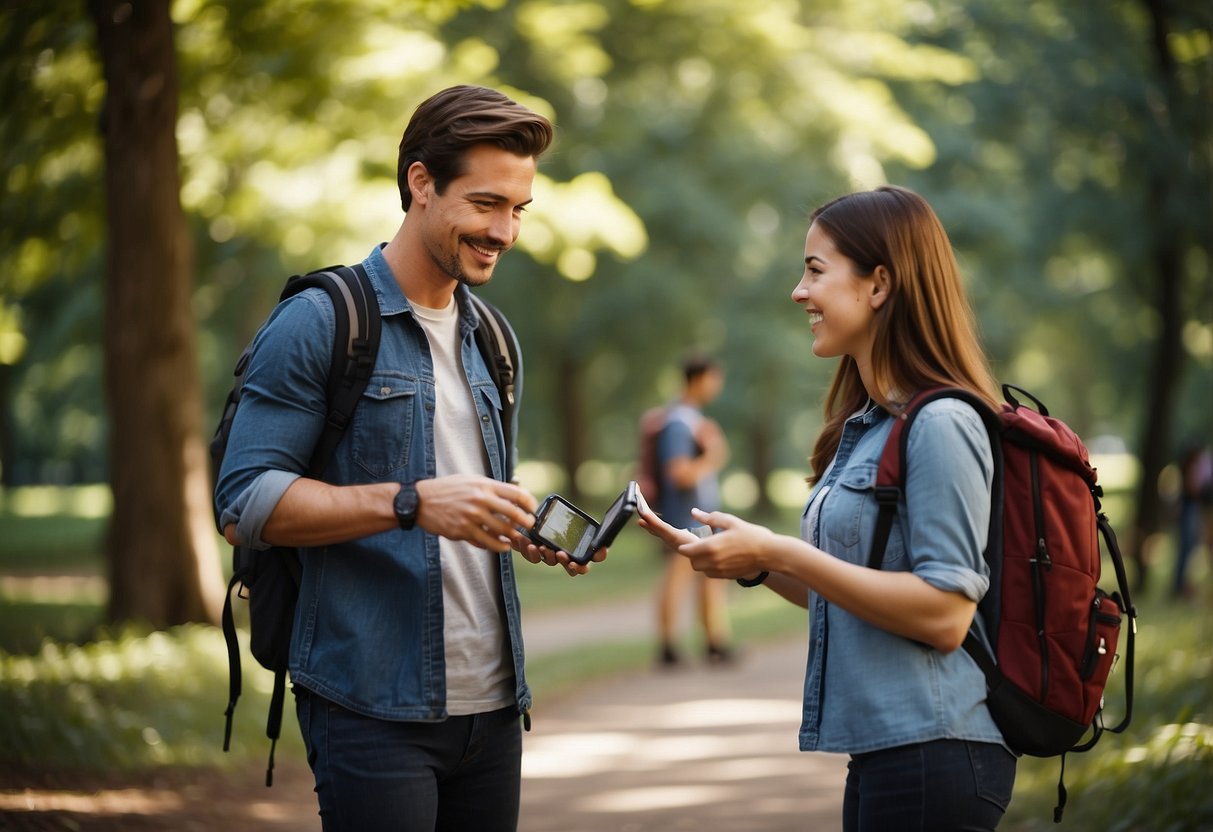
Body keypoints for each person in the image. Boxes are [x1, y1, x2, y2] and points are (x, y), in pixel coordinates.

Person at [214, 85, 601, 832]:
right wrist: (411, 503)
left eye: (518, 210)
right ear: (421, 183)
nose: (505, 232)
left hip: (493, 707)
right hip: (370, 703)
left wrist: (511, 526)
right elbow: (245, 506)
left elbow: (463, 500)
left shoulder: (494, 338)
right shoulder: (321, 321)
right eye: (486, 204)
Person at [637, 186, 1017, 831]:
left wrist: (783, 552)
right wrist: (754, 563)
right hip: (883, 752)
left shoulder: (942, 422)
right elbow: (855, 593)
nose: (798, 292)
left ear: (879, 285)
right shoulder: (868, 426)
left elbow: (946, 613)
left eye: (815, 270)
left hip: (935, 749)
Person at [652, 354, 735, 665]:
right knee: (679, 579)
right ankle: (668, 646)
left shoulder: (689, 418)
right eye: (714, 379)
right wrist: (714, 454)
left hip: (697, 515)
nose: (717, 386)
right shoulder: (679, 422)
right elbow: (679, 473)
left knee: (712, 577)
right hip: (685, 516)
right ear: (699, 379)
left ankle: (716, 641)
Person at [1173, 442, 1213, 598]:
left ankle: (1183, 585)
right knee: (1187, 548)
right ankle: (1181, 586)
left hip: (1193, 507)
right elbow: (1194, 487)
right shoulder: (1195, 466)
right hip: (1192, 507)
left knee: (1188, 548)